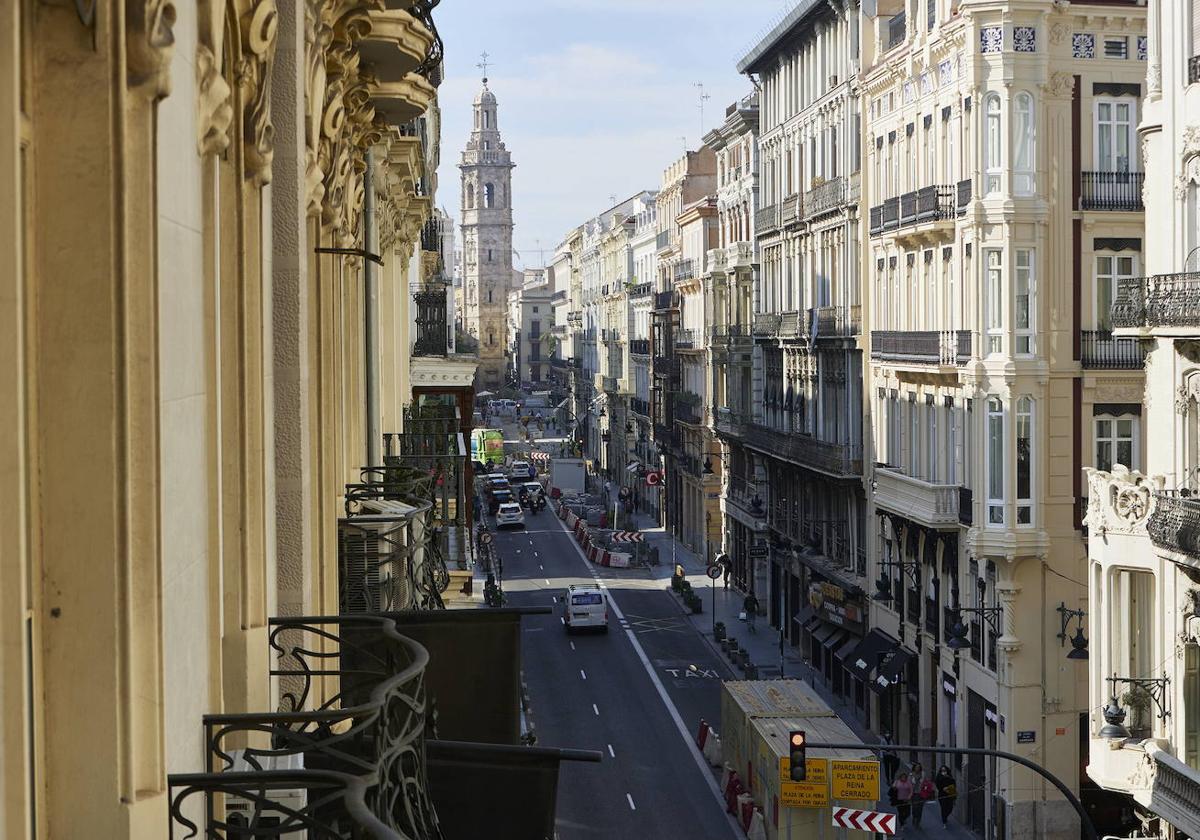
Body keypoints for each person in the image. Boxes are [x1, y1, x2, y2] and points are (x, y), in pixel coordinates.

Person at [911, 762, 934, 828]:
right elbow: (909, 783)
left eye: (919, 767)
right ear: (914, 768)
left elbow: (927, 782)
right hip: (914, 794)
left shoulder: (923, 774)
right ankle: (914, 817)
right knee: (914, 808)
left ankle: (918, 821)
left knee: (920, 808)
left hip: (921, 794)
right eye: (916, 767)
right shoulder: (911, 774)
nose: (917, 768)